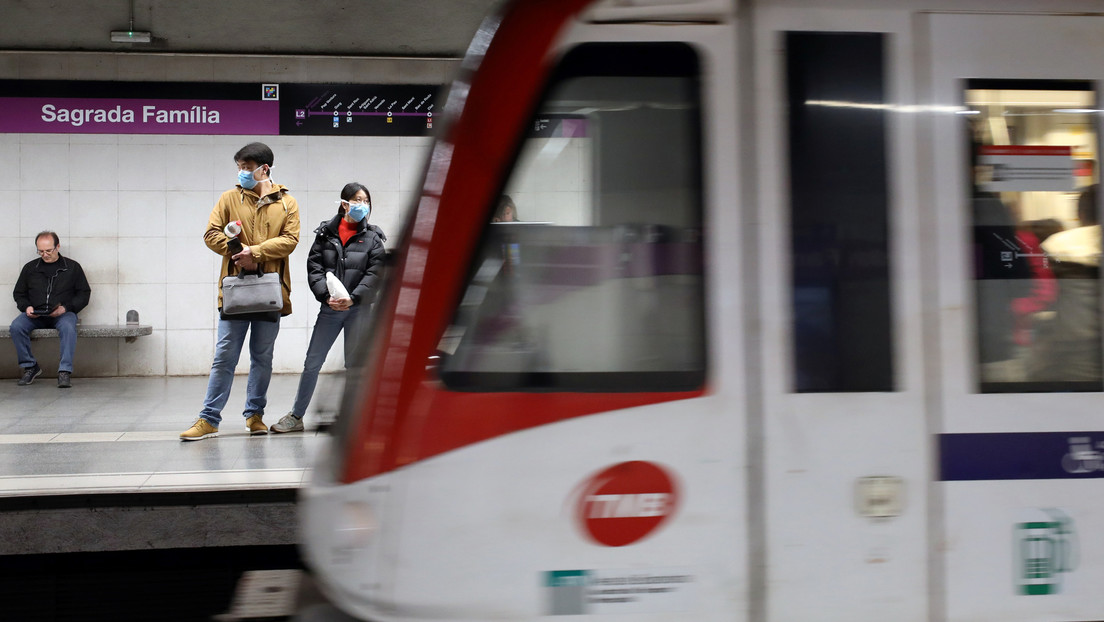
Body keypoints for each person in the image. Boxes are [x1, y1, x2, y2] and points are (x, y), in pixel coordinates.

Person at [180, 142, 300, 441]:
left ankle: (255, 416)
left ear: (265, 169)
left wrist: (255, 253)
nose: (242, 173)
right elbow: (211, 233)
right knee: (224, 356)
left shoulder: (287, 203)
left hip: (270, 292)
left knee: (262, 357)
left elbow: (290, 240)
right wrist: (238, 252)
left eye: (247, 168)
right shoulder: (229, 198)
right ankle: (208, 419)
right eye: (240, 168)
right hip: (235, 291)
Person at [270, 182, 386, 433]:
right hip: (330, 309)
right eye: (357, 200)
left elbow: (375, 274)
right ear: (344, 203)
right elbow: (315, 269)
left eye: (366, 201)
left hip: (359, 311)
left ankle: (356, 417)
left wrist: (354, 298)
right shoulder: (325, 234)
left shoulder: (374, 238)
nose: (362, 205)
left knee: (356, 365)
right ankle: (296, 416)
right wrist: (325, 296)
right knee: (313, 362)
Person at [10, 231, 91, 388]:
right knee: (16, 326)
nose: (45, 254)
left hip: (63, 314)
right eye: (41, 251)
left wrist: (66, 308)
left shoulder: (72, 267)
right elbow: (19, 293)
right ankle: (30, 366)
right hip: (36, 314)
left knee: (68, 327)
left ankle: (64, 371)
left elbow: (84, 294)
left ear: (58, 247)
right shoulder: (30, 268)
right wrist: (26, 307)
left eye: (48, 250)